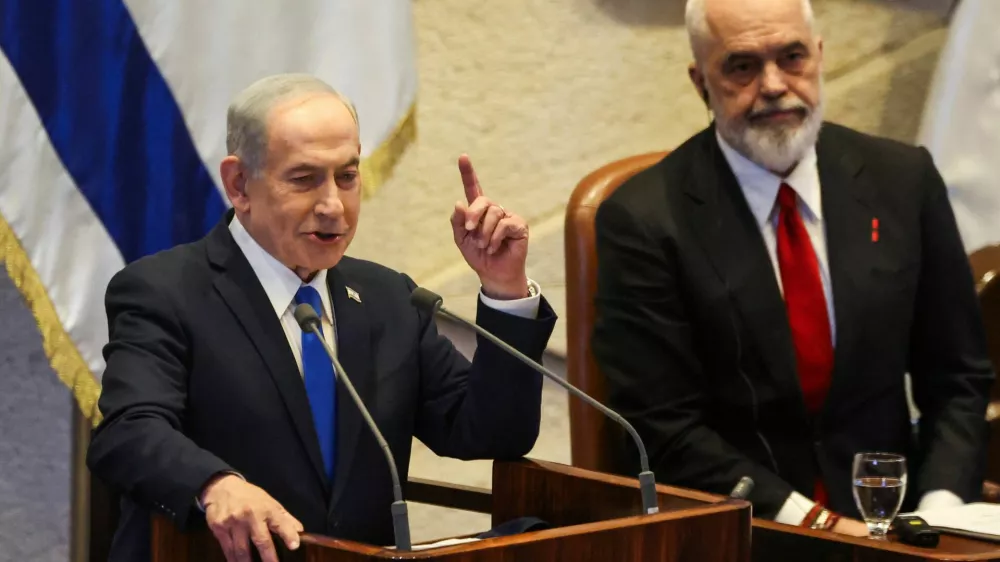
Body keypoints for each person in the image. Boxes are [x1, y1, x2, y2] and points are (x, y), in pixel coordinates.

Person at [87, 74, 556, 562]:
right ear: (239, 184)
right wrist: (215, 485)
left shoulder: (388, 297)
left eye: (347, 177)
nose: (334, 205)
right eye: (304, 179)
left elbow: (489, 432)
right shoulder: (165, 290)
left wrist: (505, 291)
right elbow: (129, 430)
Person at [593, 0, 994, 536]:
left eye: (792, 57)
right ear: (700, 82)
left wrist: (940, 509)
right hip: (744, 530)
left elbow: (959, 379)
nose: (775, 84)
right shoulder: (644, 219)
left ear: (820, 57)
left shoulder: (903, 180)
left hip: (899, 521)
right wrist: (817, 524)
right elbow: (665, 426)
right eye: (742, 66)